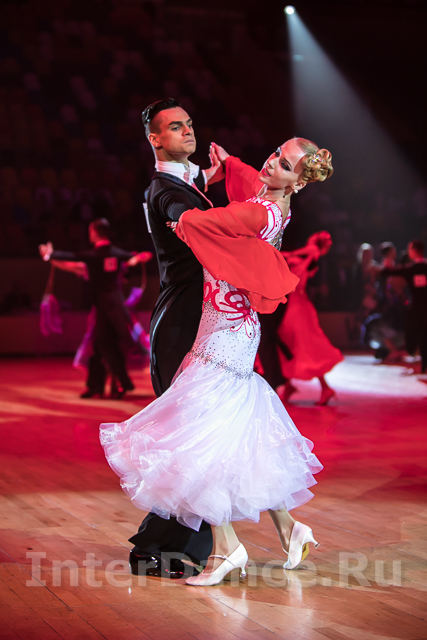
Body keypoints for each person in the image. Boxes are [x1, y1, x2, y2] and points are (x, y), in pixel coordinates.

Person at [100, 137, 334, 587]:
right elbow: (250, 183)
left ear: (298, 182)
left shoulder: (261, 212)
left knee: (200, 431)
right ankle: (289, 528)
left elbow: (211, 221)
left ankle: (227, 548)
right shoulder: (273, 202)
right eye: (275, 154)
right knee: (232, 428)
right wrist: (232, 165)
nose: (272, 164)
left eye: (284, 166)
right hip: (229, 326)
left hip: (226, 333)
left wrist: (181, 221)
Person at [126, 98, 225, 580]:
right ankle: (156, 546)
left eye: (189, 124)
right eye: (175, 127)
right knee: (191, 438)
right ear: (155, 139)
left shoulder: (187, 181)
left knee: (205, 435)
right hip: (182, 324)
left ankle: (186, 546)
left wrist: (214, 177)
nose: (188, 131)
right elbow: (192, 219)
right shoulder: (165, 191)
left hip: (200, 318)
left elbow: (194, 187)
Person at [39, 218, 149, 399]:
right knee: (101, 346)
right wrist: (138, 258)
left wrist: (50, 255)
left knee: (103, 345)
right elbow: (137, 258)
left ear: (94, 232)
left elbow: (71, 259)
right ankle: (103, 385)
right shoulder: (116, 255)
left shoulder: (94, 256)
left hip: (106, 311)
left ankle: (117, 383)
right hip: (116, 310)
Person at [49, 256, 152, 398]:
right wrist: (52, 258)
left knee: (110, 347)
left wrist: (139, 257)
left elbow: (134, 259)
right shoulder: (96, 266)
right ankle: (102, 385)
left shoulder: (111, 264)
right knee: (98, 348)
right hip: (103, 313)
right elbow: (70, 265)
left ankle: (116, 383)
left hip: (115, 313)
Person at [277, 232, 343, 406]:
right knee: (291, 344)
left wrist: (280, 254)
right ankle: (289, 385)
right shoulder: (306, 257)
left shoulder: (310, 253)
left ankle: (325, 387)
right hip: (293, 304)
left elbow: (300, 253)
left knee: (303, 346)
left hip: (297, 307)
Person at [382, 240, 427, 374]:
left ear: (413, 251)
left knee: (415, 332)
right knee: (423, 335)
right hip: (421, 308)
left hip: (417, 308)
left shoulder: (411, 269)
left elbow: (389, 272)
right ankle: (422, 361)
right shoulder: (415, 268)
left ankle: (419, 358)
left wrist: (387, 266)